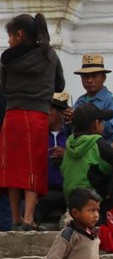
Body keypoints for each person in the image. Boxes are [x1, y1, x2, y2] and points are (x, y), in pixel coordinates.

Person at [2, 13, 65, 230]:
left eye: (10, 35)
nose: (9, 40)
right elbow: (59, 85)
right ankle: (29, 218)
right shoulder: (49, 55)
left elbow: (3, 87)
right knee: (33, 166)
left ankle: (15, 218)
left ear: (19, 35)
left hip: (13, 116)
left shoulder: (8, 59)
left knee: (12, 167)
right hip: (38, 116)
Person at [60, 103, 113, 200]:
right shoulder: (97, 143)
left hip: (71, 200)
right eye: (101, 121)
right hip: (93, 201)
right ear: (96, 124)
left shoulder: (70, 143)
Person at [36, 91, 71, 226]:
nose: (45, 113)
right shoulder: (39, 135)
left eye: (50, 110)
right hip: (46, 191)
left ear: (61, 114)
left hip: (68, 191)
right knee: (32, 215)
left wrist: (66, 155)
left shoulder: (71, 136)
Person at [72, 54, 113, 140]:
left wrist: (96, 124)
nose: (89, 80)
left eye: (94, 76)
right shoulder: (80, 101)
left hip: (102, 147)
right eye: (85, 77)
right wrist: (69, 120)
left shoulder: (111, 99)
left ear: (104, 78)